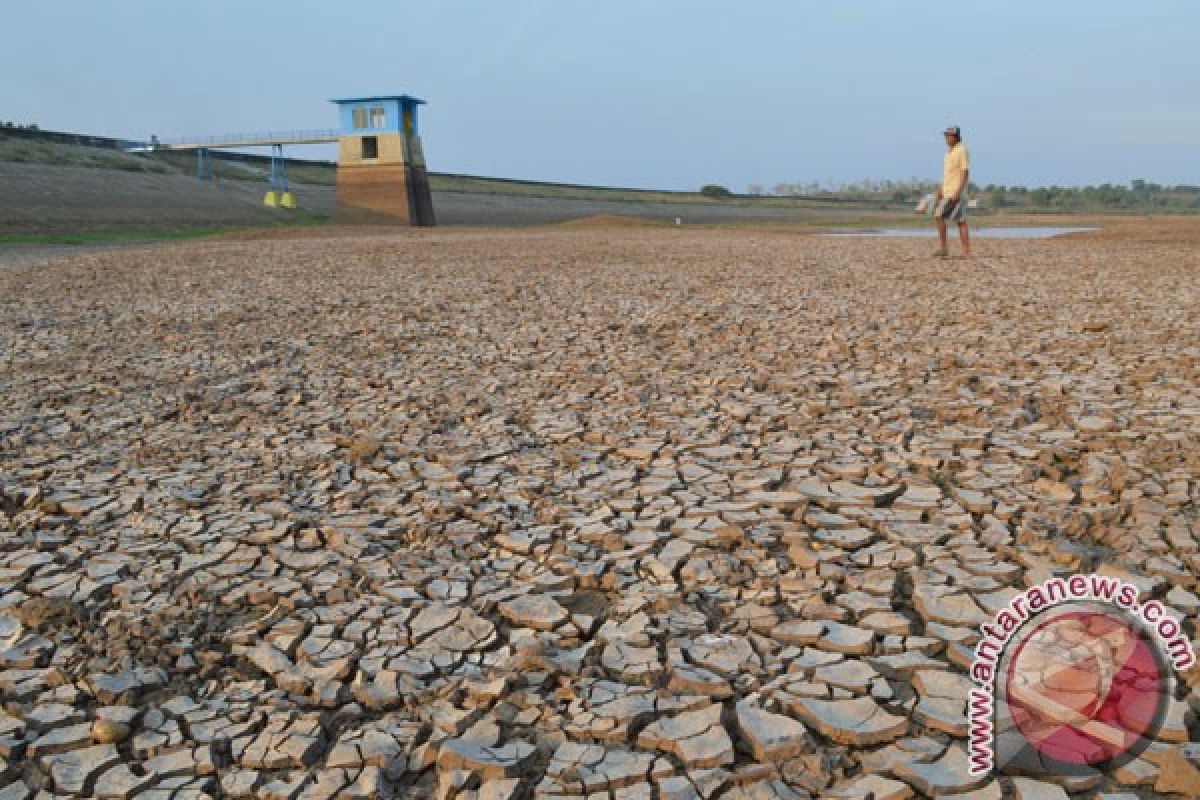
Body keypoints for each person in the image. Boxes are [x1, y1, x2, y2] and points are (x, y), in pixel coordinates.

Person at [935, 125, 971, 258]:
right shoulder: (949, 153)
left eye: (949, 136)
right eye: (946, 136)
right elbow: (947, 175)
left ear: (956, 137)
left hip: (957, 193)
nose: (947, 138)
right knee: (940, 216)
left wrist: (958, 192)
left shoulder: (962, 150)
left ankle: (966, 252)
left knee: (960, 221)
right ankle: (944, 248)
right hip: (947, 192)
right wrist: (940, 189)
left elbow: (965, 172)